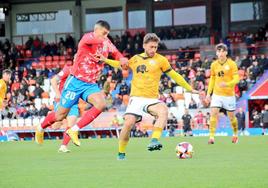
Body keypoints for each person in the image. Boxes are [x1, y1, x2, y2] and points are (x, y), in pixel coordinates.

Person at [102, 33, 198, 160]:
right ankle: (121, 153)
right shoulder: (135, 59)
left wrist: (188, 88)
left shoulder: (161, 60)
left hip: (151, 99)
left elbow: (174, 75)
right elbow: (119, 64)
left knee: (163, 109)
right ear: (144, 46)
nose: (154, 50)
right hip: (136, 99)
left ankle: (154, 141)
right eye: (151, 47)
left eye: (156, 47)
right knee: (128, 124)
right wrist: (104, 60)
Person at [35, 20, 126, 146]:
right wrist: (105, 41)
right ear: (96, 30)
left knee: (101, 104)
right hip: (75, 82)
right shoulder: (86, 38)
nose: (106, 36)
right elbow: (97, 41)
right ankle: (40, 128)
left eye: (107, 34)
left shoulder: (106, 42)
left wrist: (121, 58)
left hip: (90, 84)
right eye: (104, 33)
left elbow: (115, 52)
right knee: (60, 116)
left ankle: (74, 130)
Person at [35, 63, 79, 153]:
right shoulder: (68, 69)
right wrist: (58, 94)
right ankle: (41, 127)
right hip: (62, 99)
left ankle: (63, 146)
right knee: (56, 124)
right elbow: (53, 80)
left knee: (71, 123)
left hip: (73, 101)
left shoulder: (84, 73)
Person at [206, 43, 240, 144]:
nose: (220, 53)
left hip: (229, 95)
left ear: (226, 52)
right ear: (216, 53)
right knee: (213, 113)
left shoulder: (232, 64)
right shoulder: (214, 65)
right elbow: (212, 79)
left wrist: (227, 84)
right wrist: (208, 93)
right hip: (217, 94)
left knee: (231, 117)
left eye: (222, 51)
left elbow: (237, 79)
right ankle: (211, 137)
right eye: (219, 51)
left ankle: (235, 134)